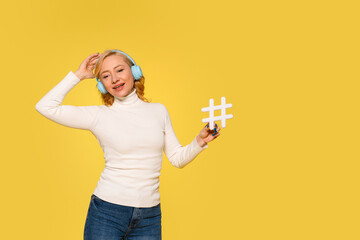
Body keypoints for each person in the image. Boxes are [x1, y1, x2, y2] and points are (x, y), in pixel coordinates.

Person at [35, 49, 221, 240]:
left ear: (135, 72)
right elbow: (45, 106)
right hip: (106, 213)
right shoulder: (98, 115)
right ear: (101, 85)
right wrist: (79, 75)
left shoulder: (159, 111)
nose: (114, 79)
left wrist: (199, 141)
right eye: (106, 76)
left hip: (149, 216)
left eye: (120, 70)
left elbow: (177, 159)